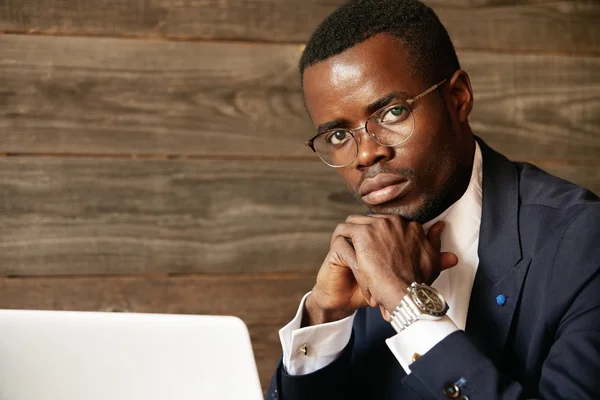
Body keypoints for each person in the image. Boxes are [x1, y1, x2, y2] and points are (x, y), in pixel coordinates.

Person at [265, 0, 600, 399]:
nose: (366, 154)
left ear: (458, 97)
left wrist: (407, 305)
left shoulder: (583, 242)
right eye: (338, 135)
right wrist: (324, 314)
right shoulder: (362, 258)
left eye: (392, 113)